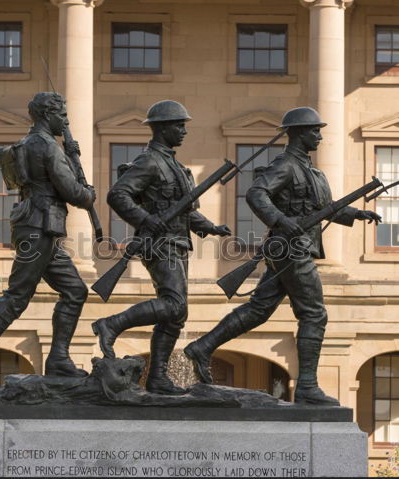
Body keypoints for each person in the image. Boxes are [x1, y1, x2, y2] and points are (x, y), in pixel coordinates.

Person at [184, 107, 381, 405]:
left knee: (259, 309)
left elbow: (325, 208)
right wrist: (280, 221)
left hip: (293, 248)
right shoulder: (287, 165)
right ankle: (307, 387)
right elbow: (256, 194)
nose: (319, 135)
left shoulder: (313, 171)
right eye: (314, 130)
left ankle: (202, 346)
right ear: (299, 134)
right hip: (291, 249)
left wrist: (357, 213)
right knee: (314, 313)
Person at [0, 92, 96, 393]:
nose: (66, 121)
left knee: (74, 290)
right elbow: (74, 193)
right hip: (39, 227)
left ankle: (58, 358)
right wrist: (89, 192)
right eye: (62, 115)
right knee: (18, 296)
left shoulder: (23, 145)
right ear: (47, 115)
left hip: (37, 226)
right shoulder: (48, 148)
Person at [92, 100, 231, 395]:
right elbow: (118, 195)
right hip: (158, 243)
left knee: (176, 316)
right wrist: (145, 219)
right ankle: (111, 324)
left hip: (178, 242)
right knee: (174, 304)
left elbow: (185, 211)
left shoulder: (176, 166)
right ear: (162, 128)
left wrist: (209, 227)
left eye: (184, 125)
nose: (183, 131)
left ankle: (157, 378)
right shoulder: (150, 161)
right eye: (178, 125)